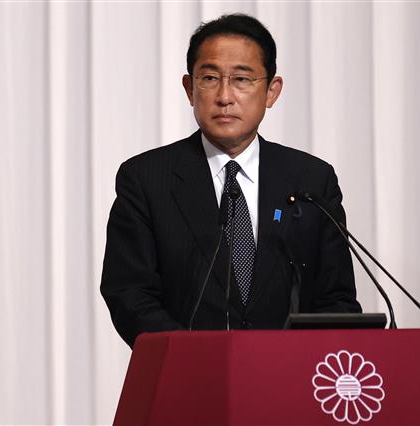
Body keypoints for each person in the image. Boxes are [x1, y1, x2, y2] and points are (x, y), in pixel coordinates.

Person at [100, 13, 361, 348]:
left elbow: (337, 299)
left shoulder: (311, 180)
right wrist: (196, 359)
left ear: (271, 91)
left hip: (289, 374)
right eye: (210, 78)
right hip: (188, 373)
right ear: (190, 88)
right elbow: (130, 295)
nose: (224, 96)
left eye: (241, 79)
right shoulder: (146, 179)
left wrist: (297, 362)